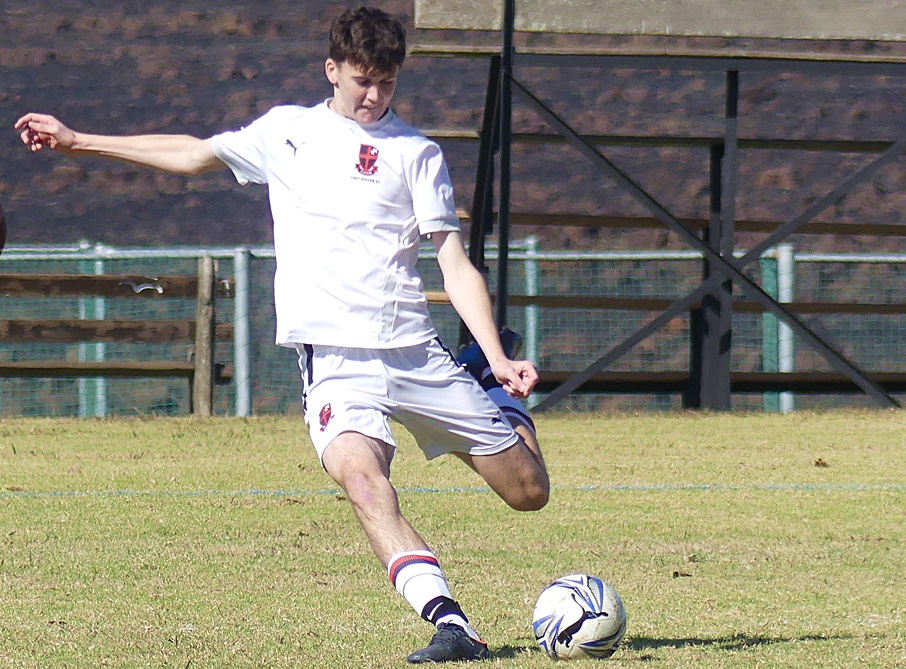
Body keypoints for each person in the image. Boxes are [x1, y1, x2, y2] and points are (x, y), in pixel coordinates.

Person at [15, 6, 548, 663]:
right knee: (362, 478)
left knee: (528, 491)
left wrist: (497, 358)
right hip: (334, 362)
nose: (375, 96)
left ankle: (496, 396)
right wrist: (79, 141)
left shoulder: (418, 154)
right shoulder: (286, 134)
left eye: (387, 83)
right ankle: (452, 625)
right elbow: (191, 153)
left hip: (414, 351)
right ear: (332, 71)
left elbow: (454, 262)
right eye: (362, 81)